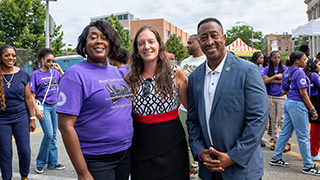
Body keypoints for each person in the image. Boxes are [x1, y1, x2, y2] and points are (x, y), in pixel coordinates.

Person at [187, 18, 268, 180]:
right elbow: (193, 120)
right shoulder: (195, 77)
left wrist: (233, 156)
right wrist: (199, 151)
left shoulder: (248, 71)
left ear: (223, 38)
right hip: (209, 170)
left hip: (241, 170)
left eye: (214, 35)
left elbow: (258, 119)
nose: (209, 42)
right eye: (203, 38)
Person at [57, 20, 133, 180]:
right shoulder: (74, 75)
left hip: (125, 154)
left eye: (104, 37)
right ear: (84, 44)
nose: (99, 41)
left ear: (110, 44)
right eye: (93, 37)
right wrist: (82, 172)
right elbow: (65, 126)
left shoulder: (115, 72)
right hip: (97, 159)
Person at [125, 25, 189, 179]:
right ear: (137, 49)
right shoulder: (129, 77)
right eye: (141, 43)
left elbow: (189, 108)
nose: (147, 46)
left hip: (172, 143)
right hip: (141, 145)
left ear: (159, 45)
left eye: (151, 42)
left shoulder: (176, 73)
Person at [270, 51, 320, 176]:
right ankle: (308, 166)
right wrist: (312, 109)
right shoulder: (299, 73)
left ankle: (276, 158)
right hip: (297, 104)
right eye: (304, 58)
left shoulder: (287, 71)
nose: (306, 60)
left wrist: (292, 97)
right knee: (303, 136)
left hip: (289, 103)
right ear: (297, 60)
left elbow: (283, 90)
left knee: (285, 133)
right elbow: (303, 93)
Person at [0, 44, 36, 180]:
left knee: (25, 150)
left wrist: (32, 118)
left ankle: (24, 177)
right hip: (2, 119)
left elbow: (28, 98)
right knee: (5, 153)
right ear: (1, 57)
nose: (11, 58)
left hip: (20, 116)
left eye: (13, 55)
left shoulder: (23, 74)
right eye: (7, 55)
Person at [30, 48, 65, 174]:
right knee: (48, 134)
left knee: (54, 136)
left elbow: (67, 80)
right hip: (43, 106)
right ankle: (40, 162)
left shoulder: (55, 73)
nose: (51, 62)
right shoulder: (36, 74)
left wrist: (59, 70)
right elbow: (31, 94)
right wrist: (36, 111)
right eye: (48, 60)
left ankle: (52, 162)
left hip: (55, 105)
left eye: (53, 60)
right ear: (42, 60)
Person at [179, 34, 206, 177]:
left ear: (199, 43)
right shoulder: (184, 63)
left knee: (203, 140)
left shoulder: (208, 60)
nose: (187, 45)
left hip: (203, 109)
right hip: (184, 110)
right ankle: (193, 168)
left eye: (190, 43)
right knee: (187, 139)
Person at [263, 51, 290, 152]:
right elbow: (264, 81)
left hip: (281, 97)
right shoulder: (267, 69)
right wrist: (275, 77)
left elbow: (286, 81)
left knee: (282, 119)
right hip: (270, 97)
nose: (277, 59)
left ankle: (285, 141)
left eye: (278, 57)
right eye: (275, 57)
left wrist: (272, 79)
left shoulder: (284, 69)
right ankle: (276, 140)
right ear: (271, 58)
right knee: (273, 120)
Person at [303, 58, 320, 161]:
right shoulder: (314, 75)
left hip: (313, 101)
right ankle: (313, 153)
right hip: (317, 102)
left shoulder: (309, 74)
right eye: (319, 64)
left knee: (314, 129)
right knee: (316, 130)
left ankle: (313, 151)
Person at [251, 52, 267, 148]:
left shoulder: (263, 69)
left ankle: (260, 137)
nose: (262, 60)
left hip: (263, 94)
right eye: (260, 58)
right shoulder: (251, 67)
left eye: (263, 58)